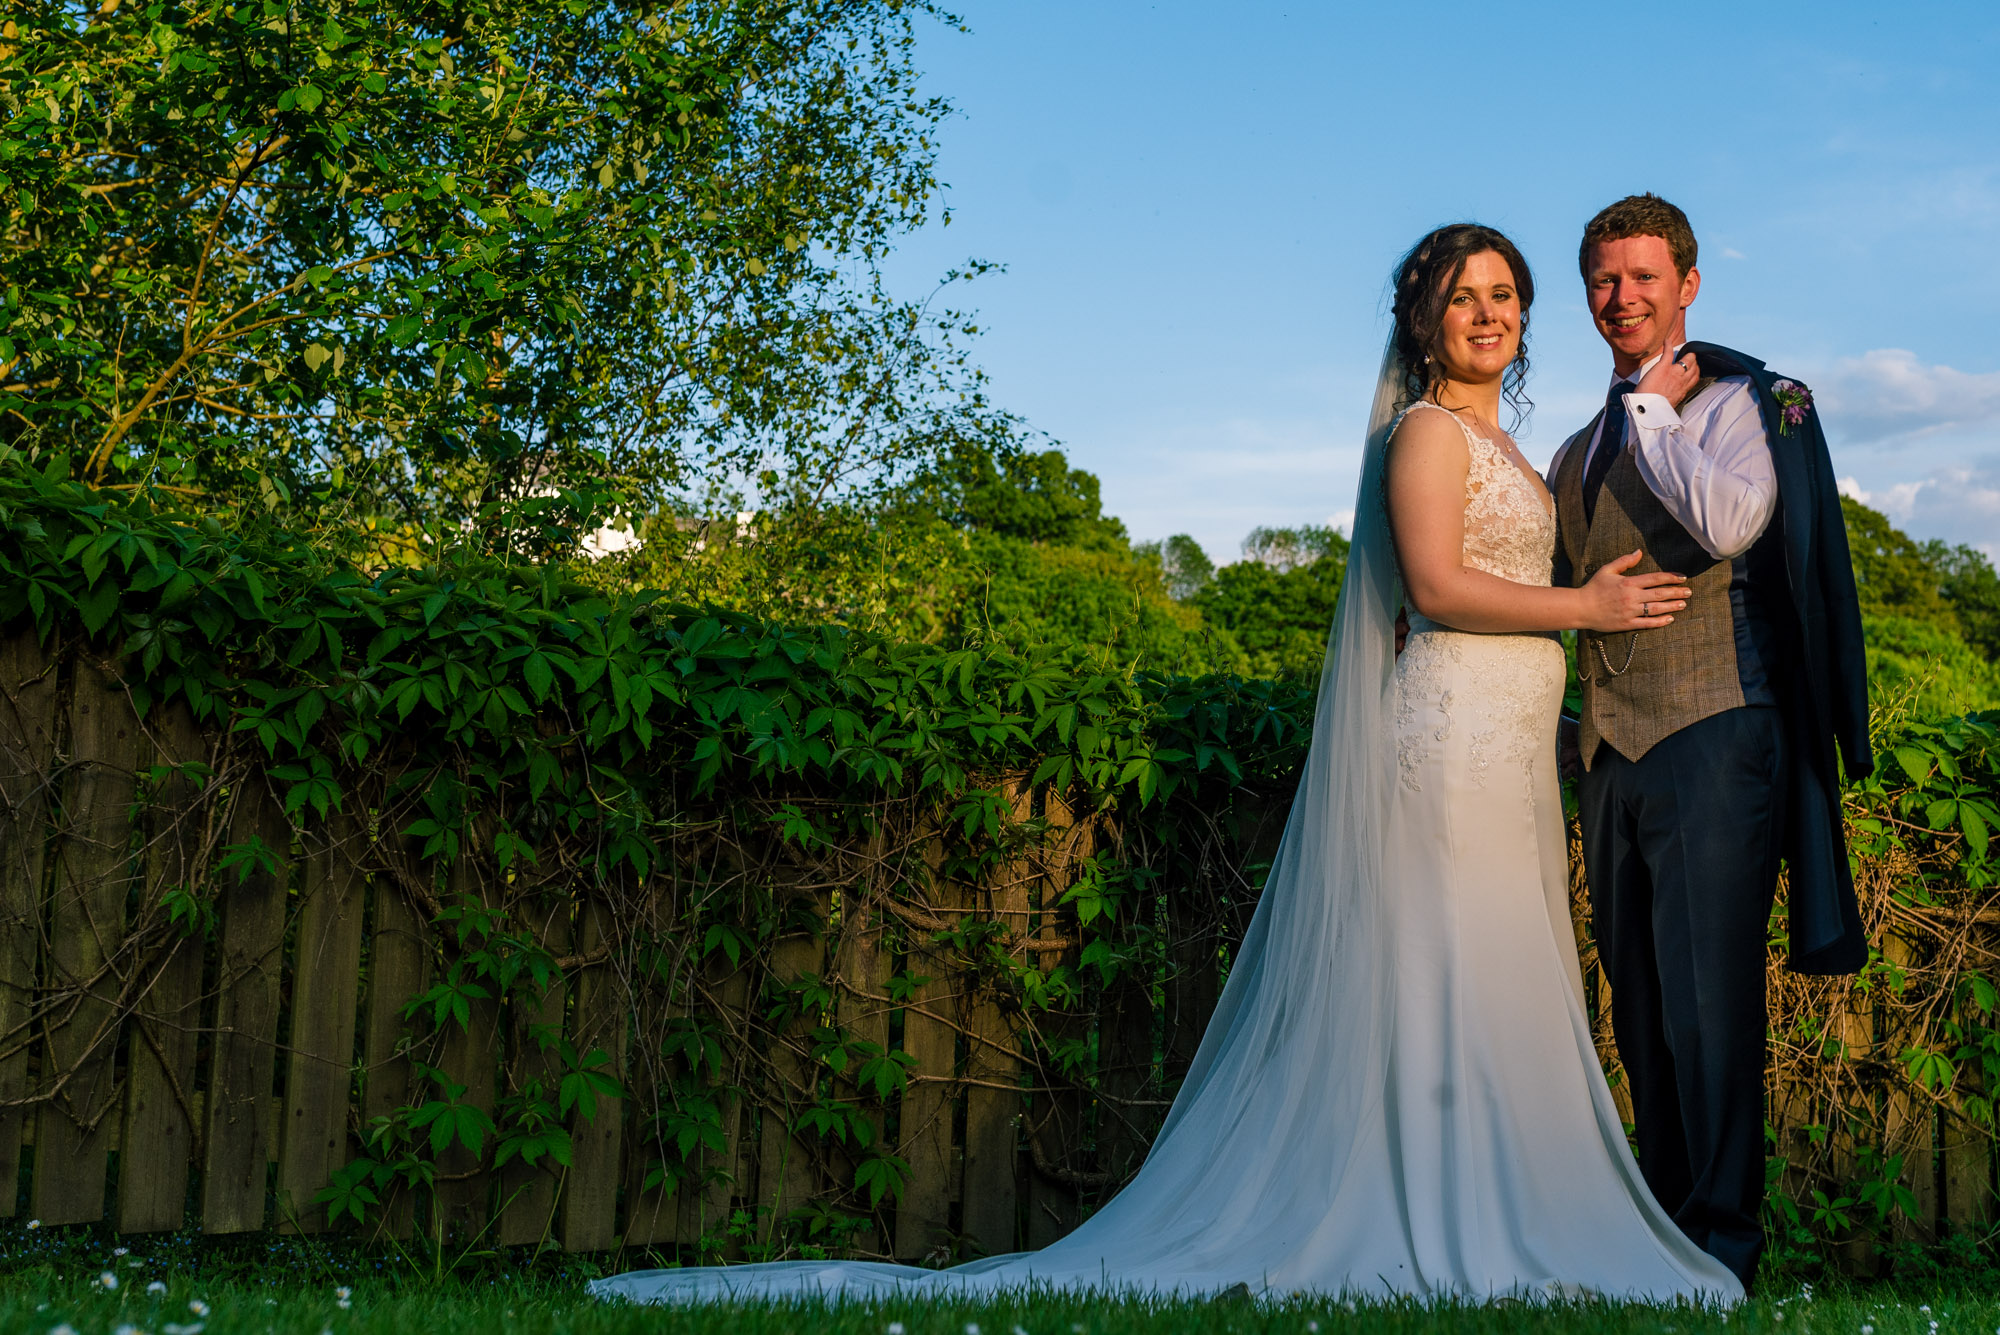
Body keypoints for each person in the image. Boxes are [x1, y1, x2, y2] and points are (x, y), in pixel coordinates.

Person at [588, 224, 1743, 1306]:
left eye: (1501, 296)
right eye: (1458, 298)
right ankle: (1427, 1213)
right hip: (1444, 736)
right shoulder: (1428, 436)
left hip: (1508, 744)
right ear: (1418, 322)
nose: (1482, 315)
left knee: (1499, 957)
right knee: (1440, 960)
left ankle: (1512, 1199)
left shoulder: (1510, 448)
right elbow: (1436, 589)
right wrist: (1581, 608)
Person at [1548, 195, 1872, 1292]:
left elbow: (1731, 525)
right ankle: (1655, 1237)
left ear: (1686, 285)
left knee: (1709, 1007)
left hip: (1716, 732)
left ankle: (1721, 1249)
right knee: (1638, 1009)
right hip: (1607, 754)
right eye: (1601, 280)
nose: (1619, 298)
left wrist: (1652, 410)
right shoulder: (1571, 446)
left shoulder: (1740, 403)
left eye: (1641, 278)